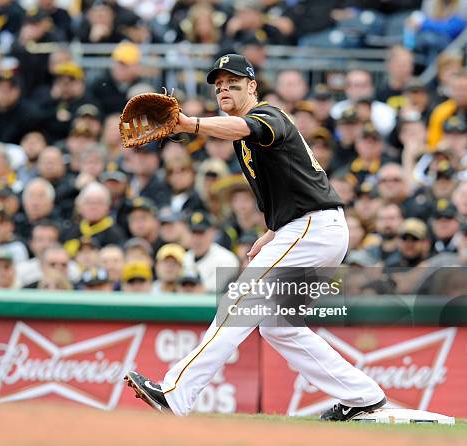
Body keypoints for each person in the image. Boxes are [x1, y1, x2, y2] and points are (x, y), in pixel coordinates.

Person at [125, 54, 386, 421]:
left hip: (312, 229)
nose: (224, 90)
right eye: (219, 86)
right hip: (310, 228)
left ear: (252, 87)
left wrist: (188, 123)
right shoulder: (243, 135)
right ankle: (362, 395)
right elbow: (295, 181)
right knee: (279, 327)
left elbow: (245, 128)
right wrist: (273, 231)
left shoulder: (270, 116)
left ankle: (175, 393)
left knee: (238, 304)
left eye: (233, 83)